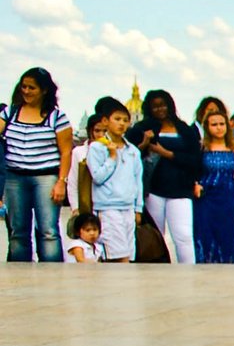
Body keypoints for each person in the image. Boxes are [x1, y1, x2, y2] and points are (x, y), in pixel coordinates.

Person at [1, 67, 75, 262]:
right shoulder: (10, 113)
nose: (26, 91)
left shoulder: (57, 117)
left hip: (46, 177)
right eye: (23, 87)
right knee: (18, 230)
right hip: (15, 176)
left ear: (43, 90)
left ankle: (52, 273)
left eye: (31, 88)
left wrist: (62, 181)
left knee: (48, 230)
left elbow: (66, 152)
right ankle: (20, 271)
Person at [128, 89, 200, 263]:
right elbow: (130, 155)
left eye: (163, 105)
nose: (160, 110)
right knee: (156, 235)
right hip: (154, 189)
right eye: (155, 106)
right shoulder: (142, 128)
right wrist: (145, 143)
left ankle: (189, 270)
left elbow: (195, 159)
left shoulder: (184, 129)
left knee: (183, 236)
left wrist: (166, 153)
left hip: (181, 189)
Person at [84, 103, 141, 262]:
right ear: (105, 121)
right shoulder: (97, 148)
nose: (121, 123)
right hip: (108, 206)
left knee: (128, 254)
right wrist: (112, 157)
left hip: (128, 206)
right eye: (117, 119)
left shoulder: (133, 151)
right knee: (117, 254)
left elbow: (138, 181)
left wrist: (138, 207)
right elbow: (98, 177)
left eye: (125, 120)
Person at [191, 109, 234, 264]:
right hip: (206, 197)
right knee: (205, 235)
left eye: (222, 124)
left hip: (229, 195)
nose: (219, 127)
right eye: (214, 124)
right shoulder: (202, 147)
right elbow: (193, 171)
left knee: (228, 235)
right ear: (207, 127)